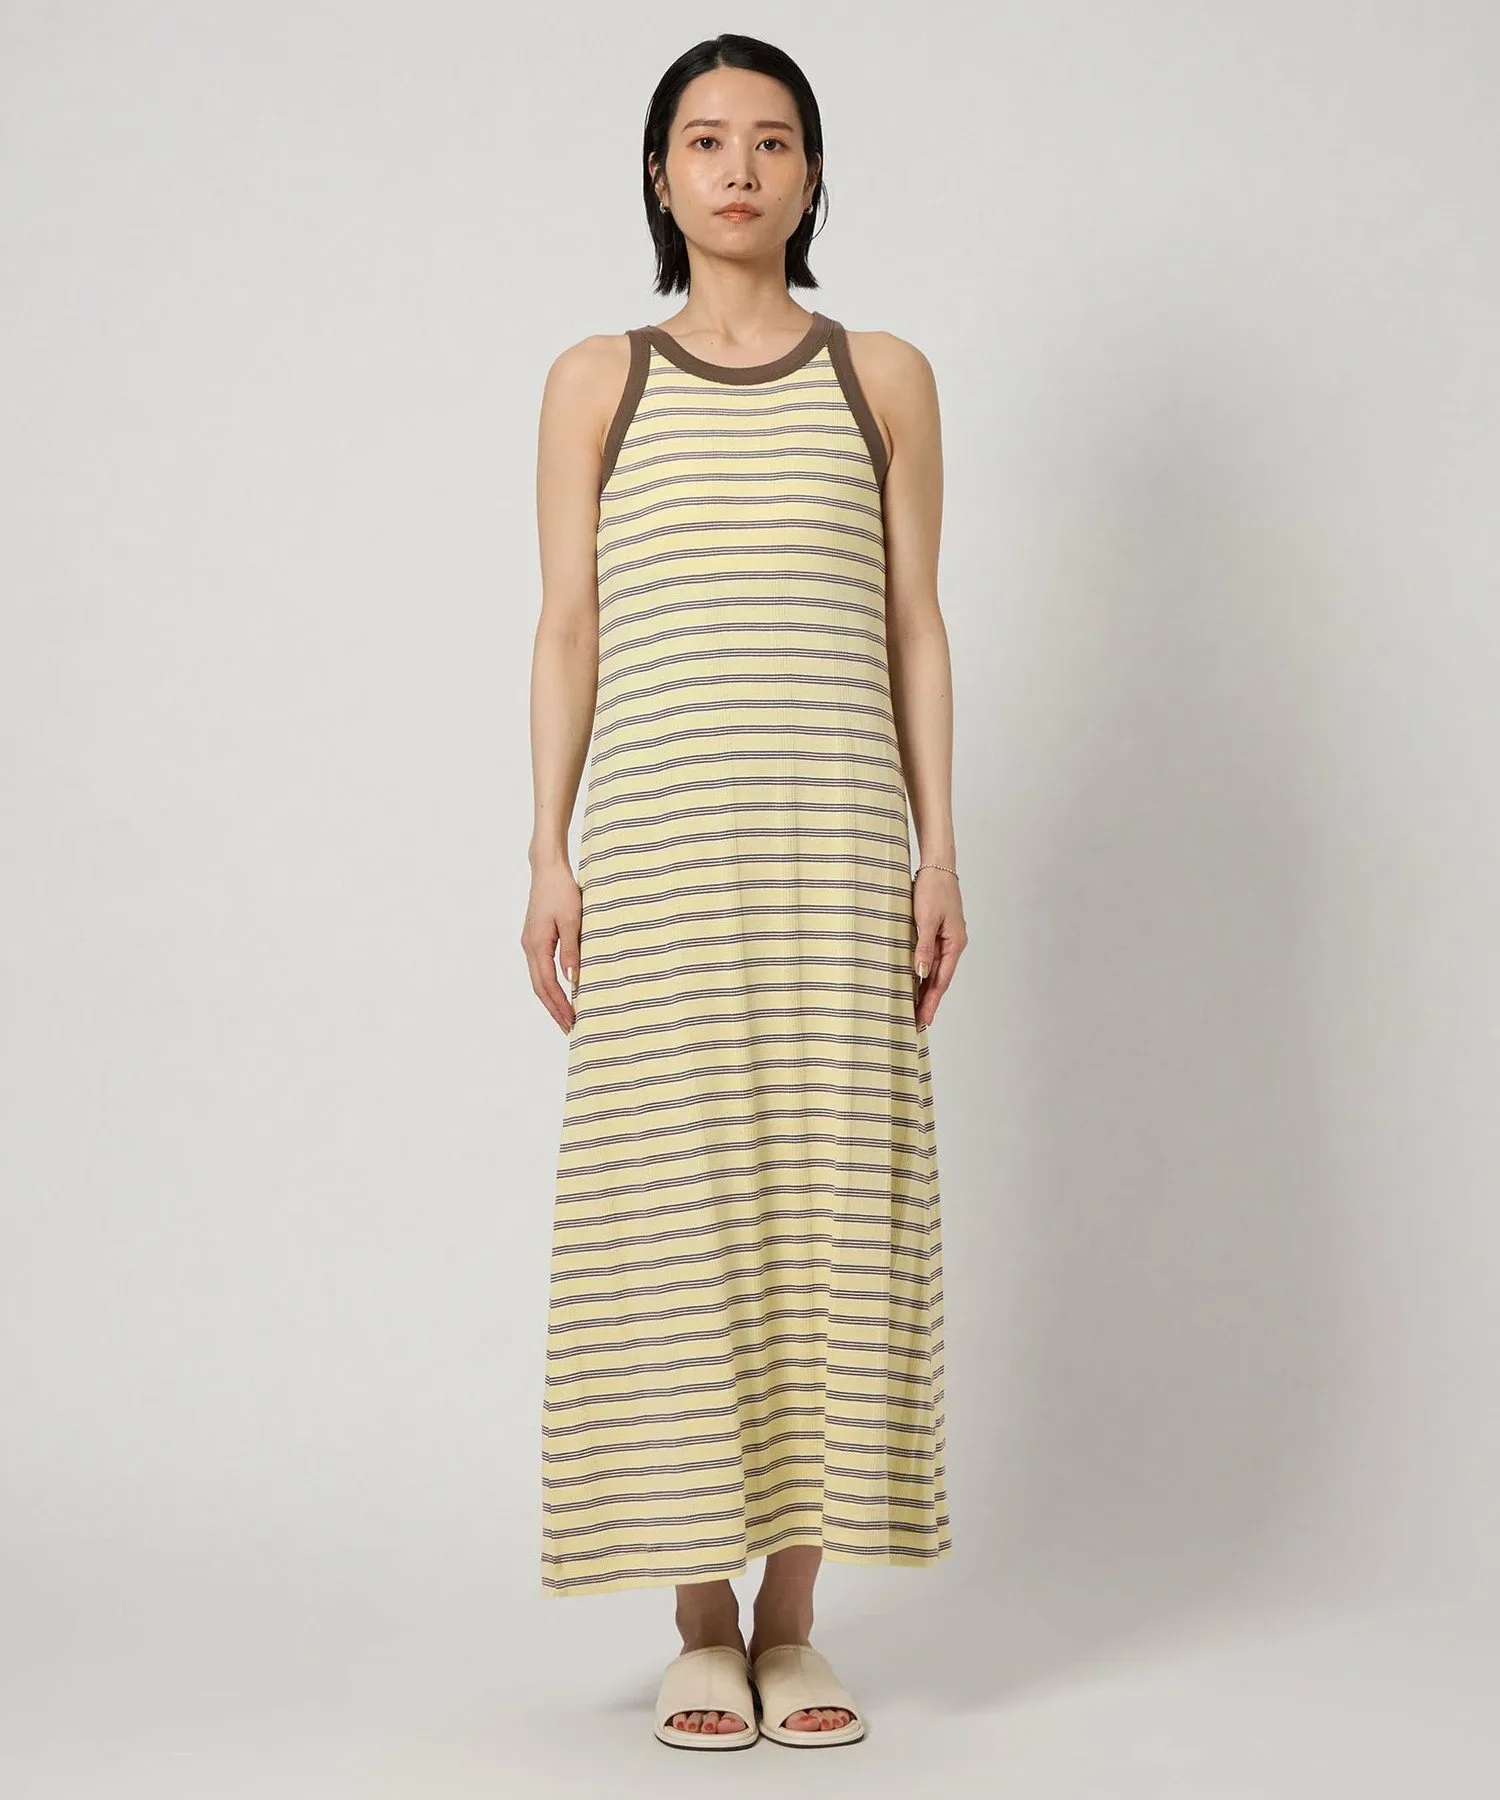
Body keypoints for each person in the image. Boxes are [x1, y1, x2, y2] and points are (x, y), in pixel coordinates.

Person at [523, 31, 966, 1750]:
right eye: (705, 140)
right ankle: (696, 1619)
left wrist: (939, 848)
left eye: (771, 141)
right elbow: (570, 626)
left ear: (811, 173)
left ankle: (794, 1621)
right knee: (673, 1215)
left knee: (833, 1211)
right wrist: (549, 848)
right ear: (660, 174)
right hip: (664, 855)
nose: (738, 169)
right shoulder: (596, 379)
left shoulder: (885, 376)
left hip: (836, 849)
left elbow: (914, 624)